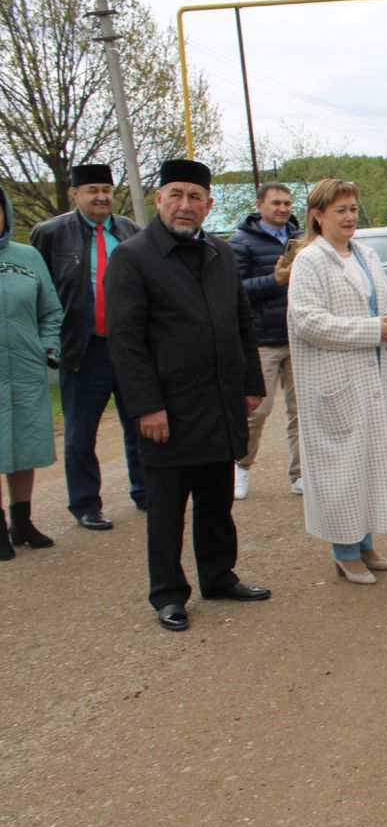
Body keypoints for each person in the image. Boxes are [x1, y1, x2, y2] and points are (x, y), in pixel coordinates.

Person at [106, 159, 270, 632]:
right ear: (159, 199)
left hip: (219, 402)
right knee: (167, 508)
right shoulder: (134, 258)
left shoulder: (219, 255)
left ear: (208, 204)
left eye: (194, 197)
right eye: (175, 194)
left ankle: (219, 576)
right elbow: (126, 340)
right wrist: (146, 406)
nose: (184, 205)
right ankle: (169, 594)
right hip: (169, 409)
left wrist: (251, 384)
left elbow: (242, 322)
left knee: (217, 501)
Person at [288, 179, 387, 584]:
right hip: (336, 383)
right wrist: (373, 329)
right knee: (342, 470)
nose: (350, 216)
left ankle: (366, 543)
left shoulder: (367, 254)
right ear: (318, 216)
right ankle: (343, 551)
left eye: (353, 208)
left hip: (372, 377)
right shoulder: (310, 261)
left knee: (370, 462)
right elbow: (307, 321)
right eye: (340, 210)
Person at [29, 164, 145, 530]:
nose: (101, 197)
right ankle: (85, 503)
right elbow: (39, 291)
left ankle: (146, 492)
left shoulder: (130, 232)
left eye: (106, 190)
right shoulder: (49, 234)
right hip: (82, 348)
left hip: (128, 346)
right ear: (75, 195)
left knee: (140, 423)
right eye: (92, 189)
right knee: (81, 432)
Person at [228, 182, 303, 499]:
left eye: (287, 203)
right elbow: (235, 289)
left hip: (299, 336)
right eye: (275, 203)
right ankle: (241, 469)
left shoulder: (302, 239)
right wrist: (274, 281)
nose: (283, 209)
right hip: (263, 339)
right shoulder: (240, 244)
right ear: (259, 206)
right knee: (256, 410)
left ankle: (300, 474)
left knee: (301, 411)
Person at [0, 183, 63, 560]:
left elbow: (50, 309)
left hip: (24, 367)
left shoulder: (27, 257)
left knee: (25, 444)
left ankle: (21, 521)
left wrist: (48, 346)